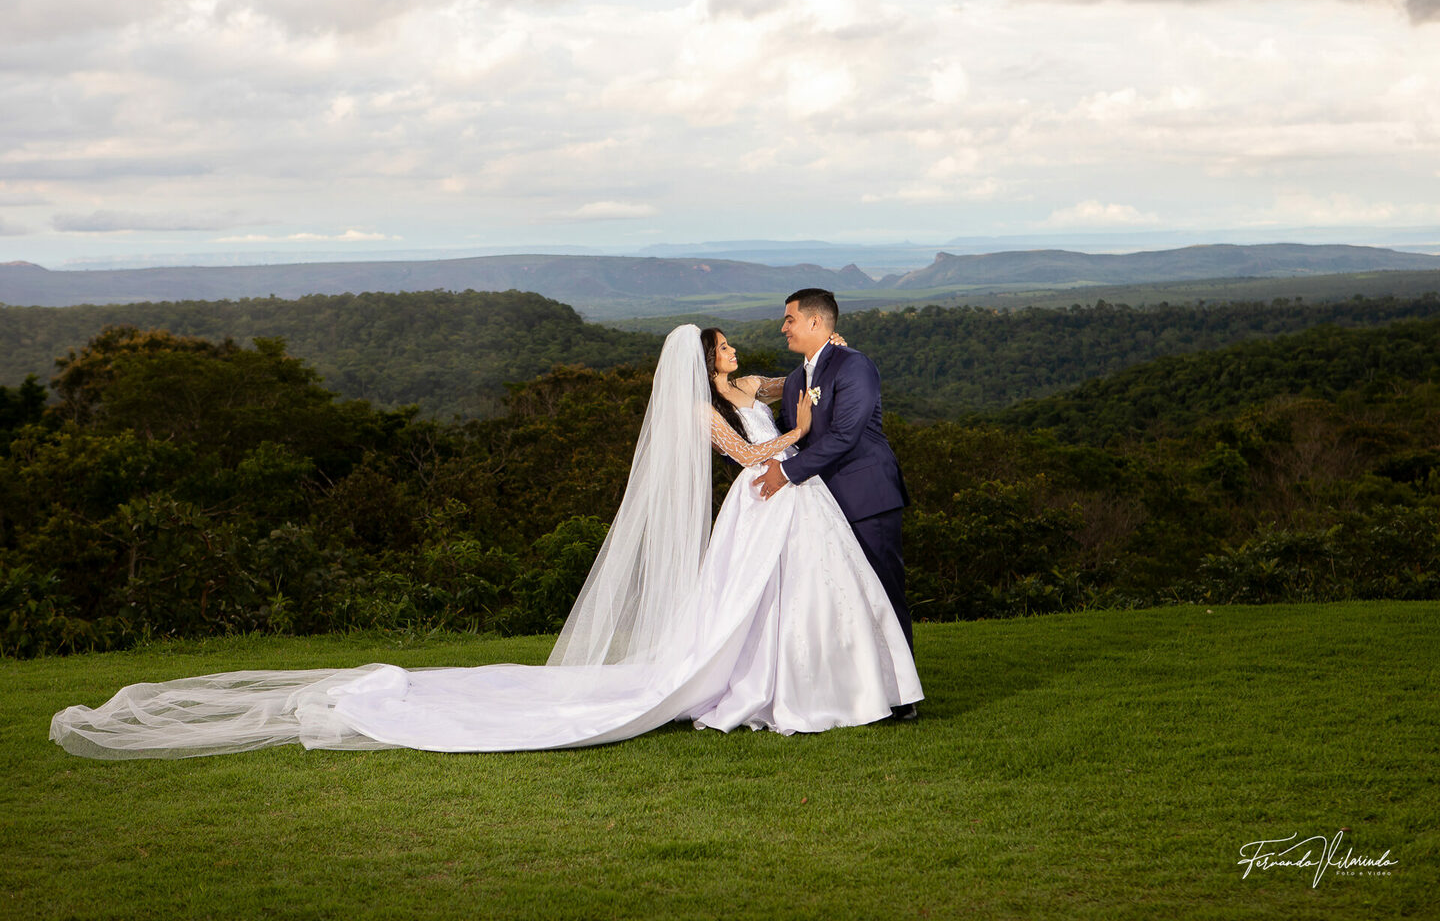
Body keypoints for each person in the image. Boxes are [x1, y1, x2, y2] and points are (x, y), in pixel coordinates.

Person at [50, 324, 921, 758]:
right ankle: (782, 687)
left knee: (787, 607)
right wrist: (797, 435)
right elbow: (746, 449)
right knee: (745, 610)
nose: (737, 347)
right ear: (702, 361)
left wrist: (814, 380)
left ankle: (816, 681)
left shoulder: (741, 380)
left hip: (784, 505)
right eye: (725, 343)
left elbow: (800, 377)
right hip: (762, 495)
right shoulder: (706, 404)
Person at [751, 289, 916, 719]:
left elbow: (846, 435)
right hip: (822, 509)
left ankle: (904, 697)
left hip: (867, 498)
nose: (782, 327)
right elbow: (793, 435)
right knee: (847, 601)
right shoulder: (791, 381)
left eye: (789, 319)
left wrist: (785, 474)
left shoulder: (854, 365)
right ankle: (861, 692)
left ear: (816, 324)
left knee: (884, 593)